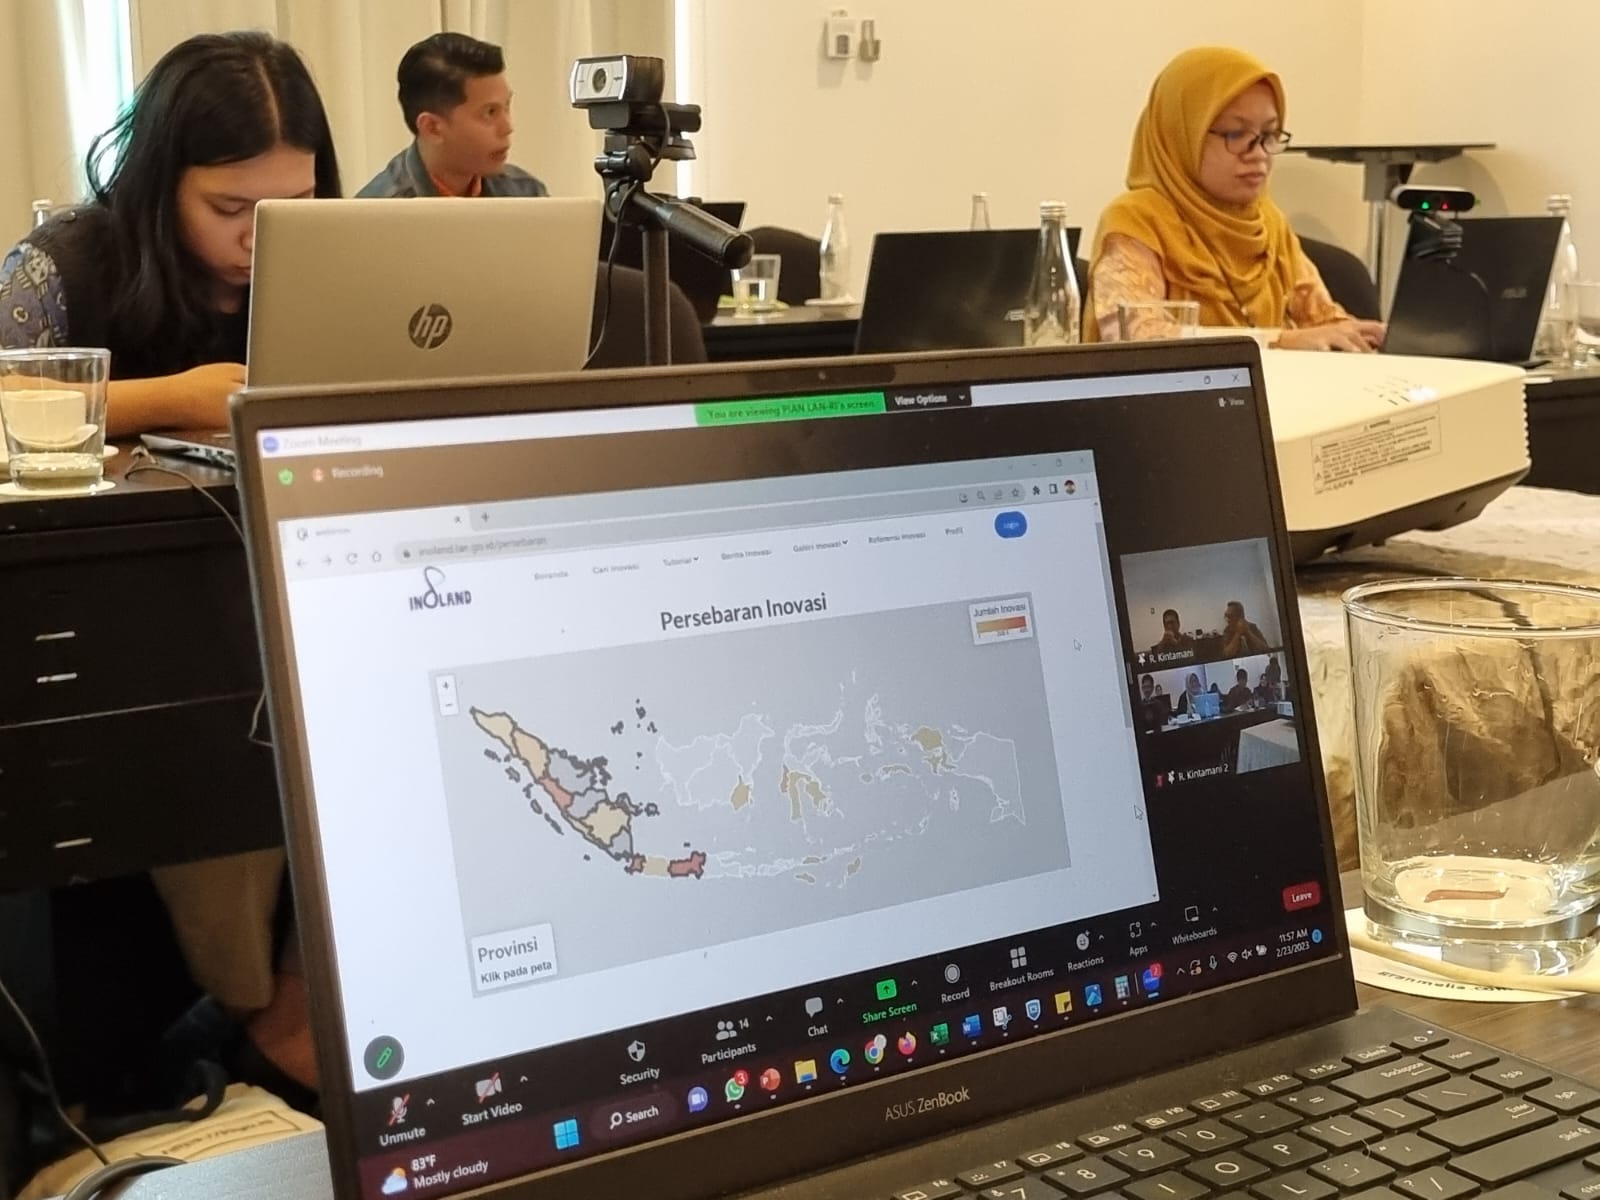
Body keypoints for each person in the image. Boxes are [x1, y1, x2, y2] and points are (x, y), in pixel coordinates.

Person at [0, 32, 341, 436]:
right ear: (161, 185)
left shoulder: (336, 260)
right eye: (229, 209)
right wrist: (172, 400)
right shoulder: (58, 269)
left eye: (294, 204)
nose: (258, 238)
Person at [1086, 46, 1385, 352]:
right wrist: (1280, 340)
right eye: (1236, 134)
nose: (1259, 154)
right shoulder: (1136, 221)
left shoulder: (1268, 222)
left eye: (1269, 135)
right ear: (1182, 133)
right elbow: (1136, 337)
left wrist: (1363, 335)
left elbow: (1322, 321)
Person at [358, 32, 547, 198]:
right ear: (432, 128)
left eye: (507, 106)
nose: (508, 128)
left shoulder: (526, 193)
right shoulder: (376, 215)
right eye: (490, 112)